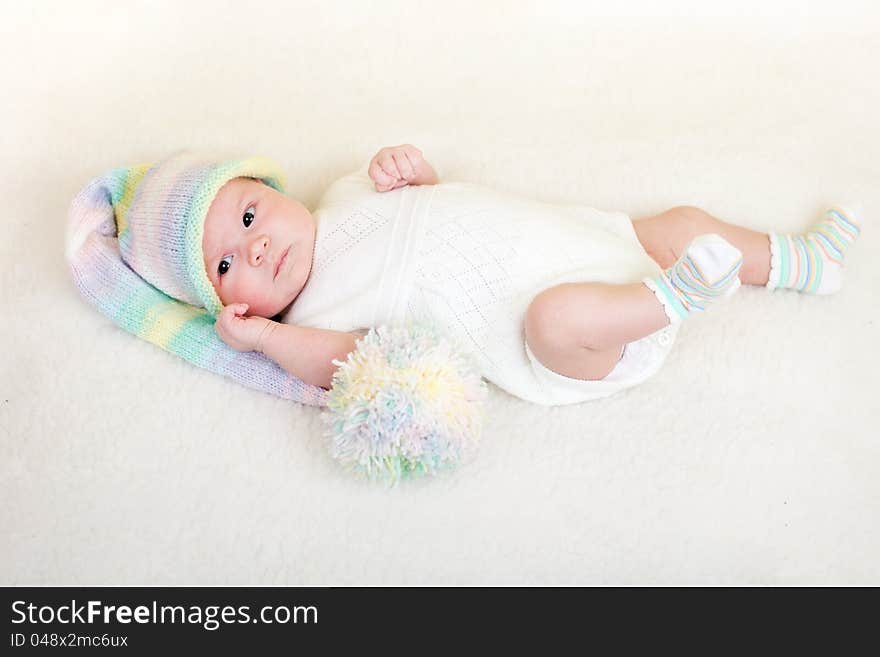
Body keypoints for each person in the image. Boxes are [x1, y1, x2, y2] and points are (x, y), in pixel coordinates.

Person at [198, 144, 861, 405]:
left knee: (680, 223)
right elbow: (347, 360)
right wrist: (263, 341)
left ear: (272, 185)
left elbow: (438, 197)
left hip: (592, 248)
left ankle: (804, 259)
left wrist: (413, 174)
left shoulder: (348, 189)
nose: (253, 248)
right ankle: (674, 297)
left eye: (250, 213)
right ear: (234, 307)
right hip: (567, 341)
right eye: (225, 263)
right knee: (556, 316)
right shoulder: (310, 319)